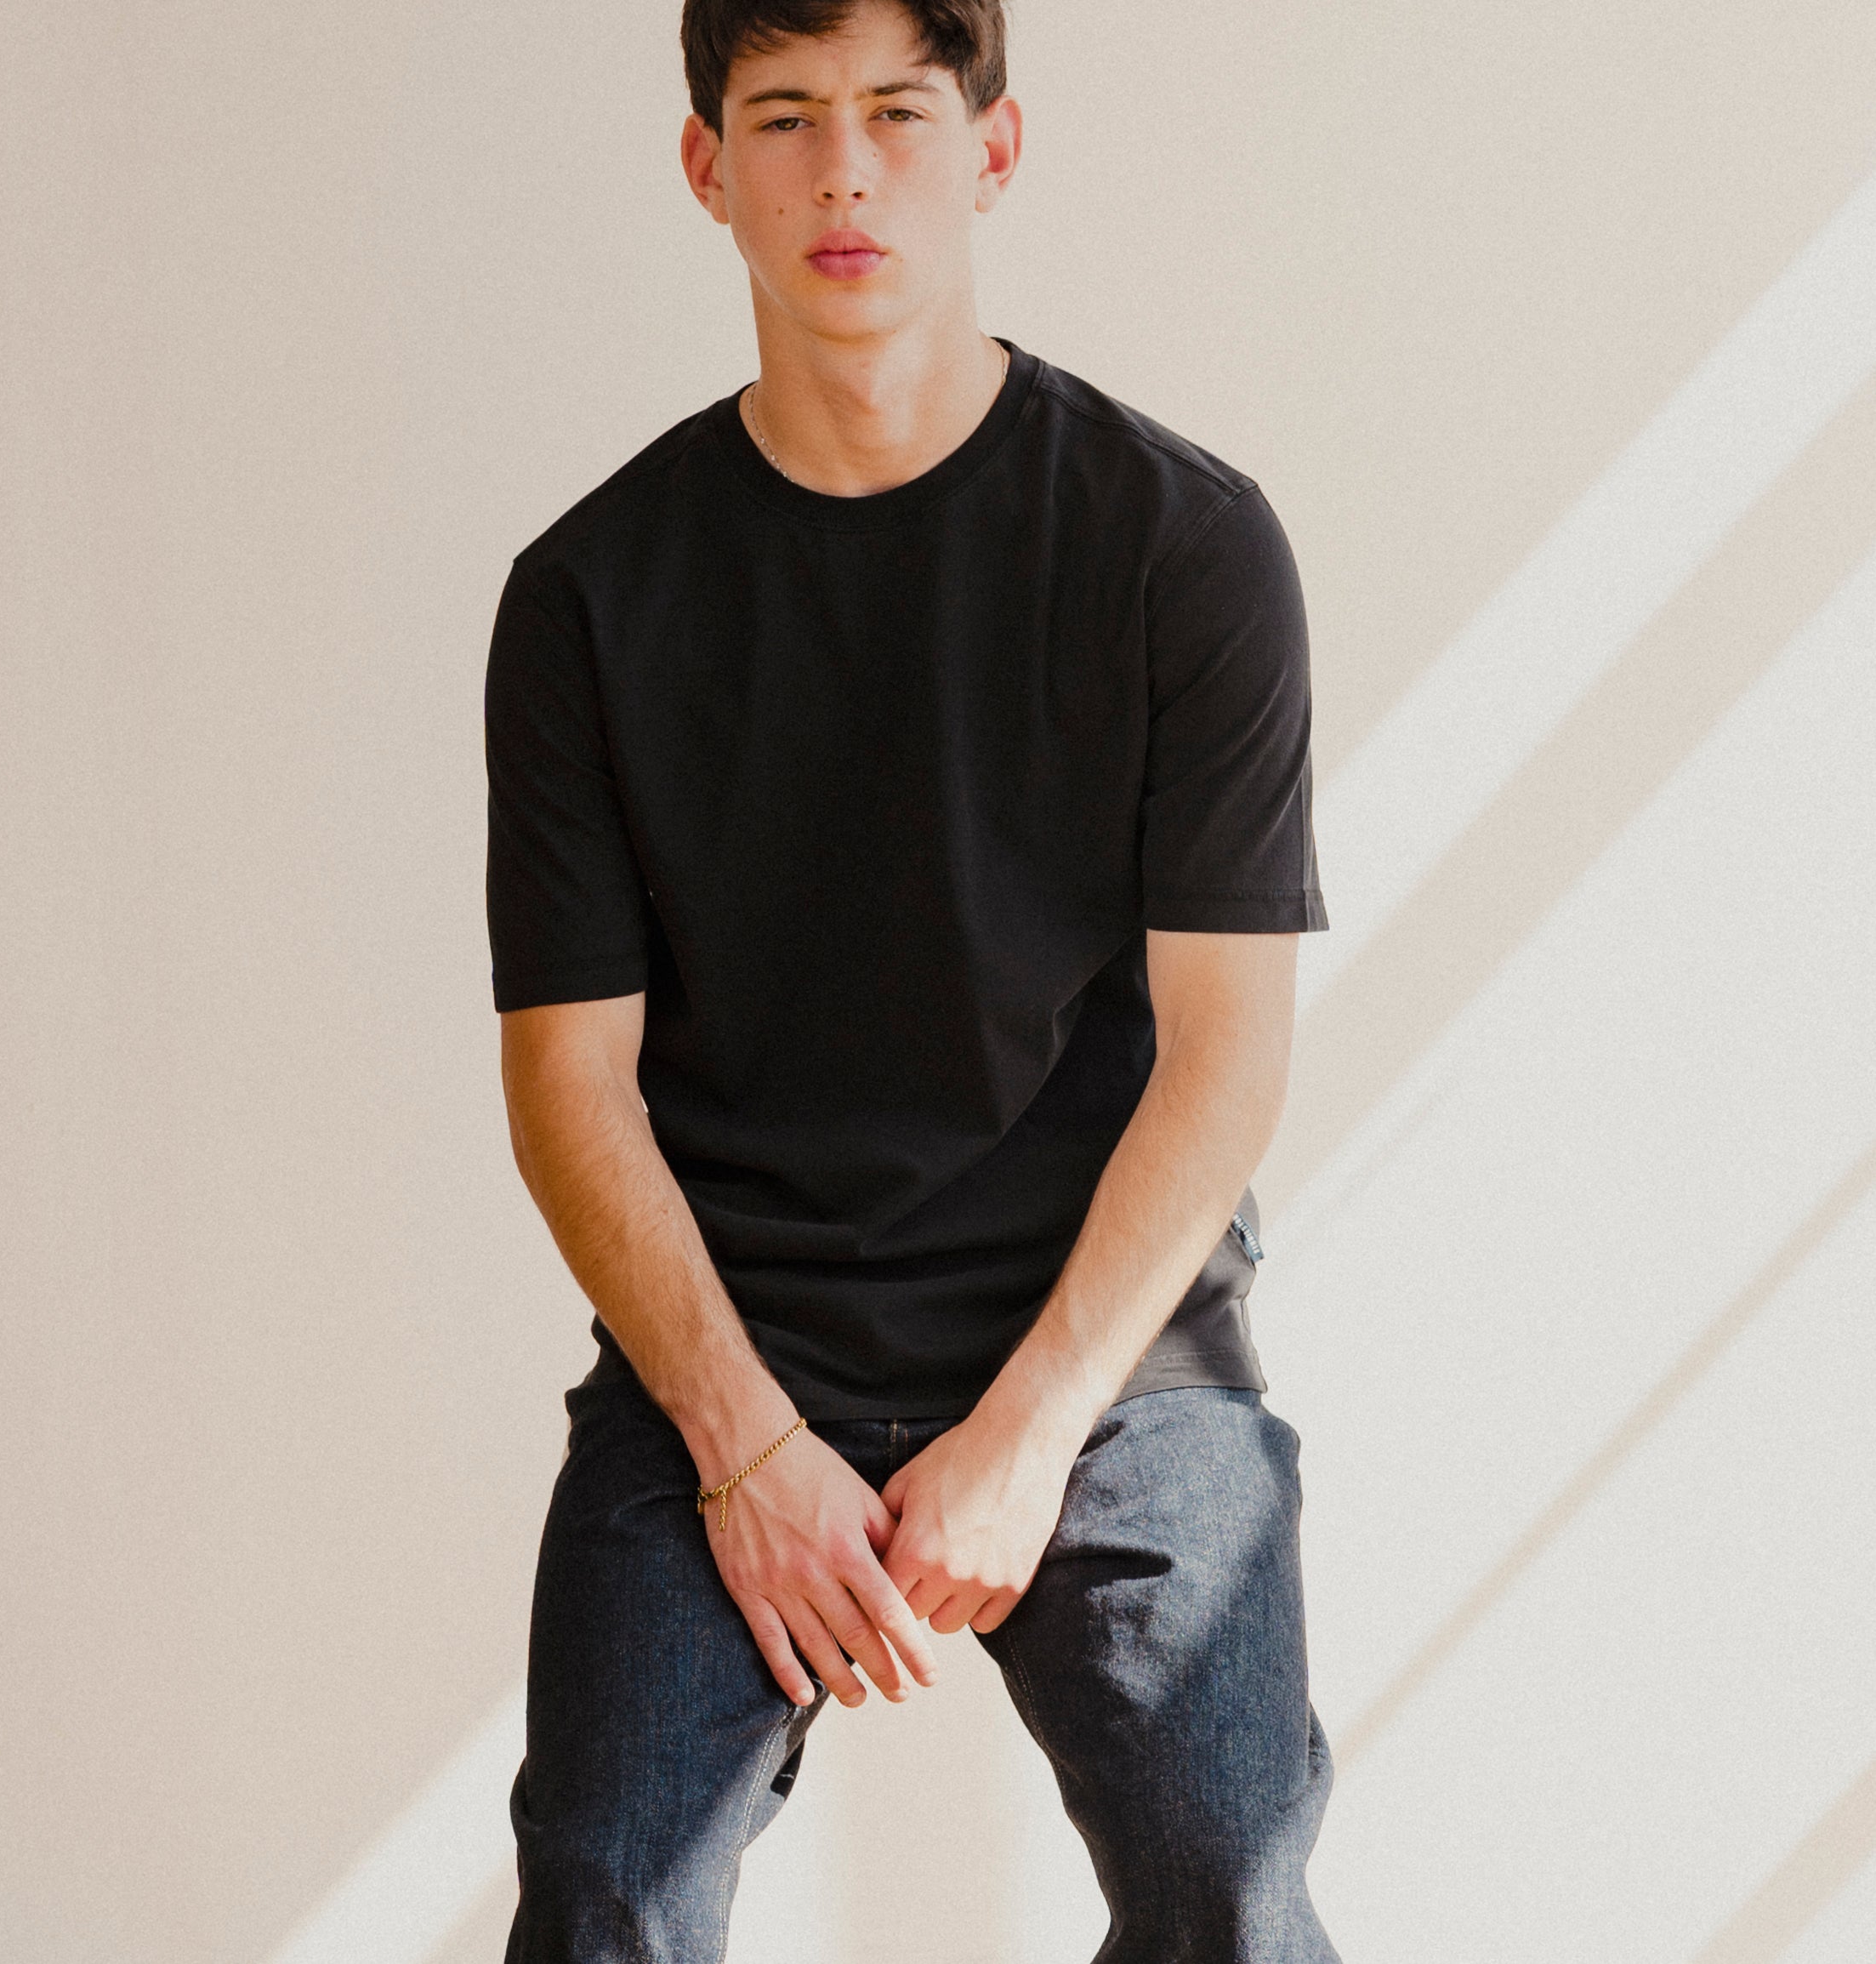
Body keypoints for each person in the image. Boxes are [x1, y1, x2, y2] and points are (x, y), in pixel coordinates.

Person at [485, 2, 1339, 1957]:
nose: (844, 170)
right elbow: (569, 1091)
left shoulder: (1182, 547)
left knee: (1235, 1884)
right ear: (709, 172)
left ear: (995, 149)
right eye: (782, 119)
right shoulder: (590, 599)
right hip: (734, 1344)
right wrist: (748, 1445)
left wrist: (1032, 1435)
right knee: (605, 1893)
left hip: (1102, 1350)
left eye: (895, 111)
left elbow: (1228, 1055)